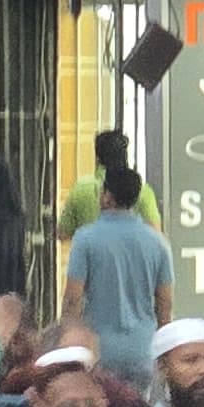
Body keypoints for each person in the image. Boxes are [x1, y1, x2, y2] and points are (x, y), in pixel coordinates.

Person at [58, 157, 166, 381]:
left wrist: (66, 341)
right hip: (143, 349)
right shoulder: (157, 243)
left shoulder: (85, 238)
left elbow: (73, 299)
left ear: (107, 196)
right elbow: (165, 305)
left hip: (98, 352)